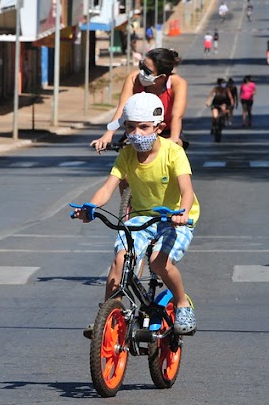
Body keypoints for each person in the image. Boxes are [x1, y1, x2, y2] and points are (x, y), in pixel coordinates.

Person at [75, 92, 199, 336]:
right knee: (120, 260)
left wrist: (182, 213)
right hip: (142, 216)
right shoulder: (126, 154)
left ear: (159, 127)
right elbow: (108, 187)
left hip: (175, 217)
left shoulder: (173, 152)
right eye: (131, 128)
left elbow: (187, 190)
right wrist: (89, 207)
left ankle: (183, 303)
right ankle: (110, 315)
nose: (136, 134)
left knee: (158, 261)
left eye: (143, 127)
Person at [92, 48, 187, 152]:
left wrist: (173, 138)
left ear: (162, 77)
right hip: (137, 129)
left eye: (147, 71)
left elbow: (177, 116)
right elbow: (122, 109)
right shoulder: (134, 78)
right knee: (126, 149)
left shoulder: (177, 84)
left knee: (175, 147)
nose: (141, 72)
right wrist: (108, 135)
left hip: (165, 130)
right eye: (141, 66)